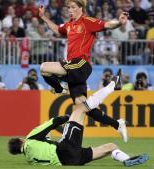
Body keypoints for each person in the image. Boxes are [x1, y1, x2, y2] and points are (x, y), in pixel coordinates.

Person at [8, 76, 149, 166]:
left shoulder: (30, 159)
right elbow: (52, 122)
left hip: (72, 160)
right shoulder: (30, 138)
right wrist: (66, 119)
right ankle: (110, 88)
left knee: (111, 146)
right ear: (21, 140)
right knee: (80, 109)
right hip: (64, 150)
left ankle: (126, 159)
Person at [38, 0, 129, 142]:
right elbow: (57, 29)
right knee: (83, 108)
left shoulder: (87, 21)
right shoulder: (69, 25)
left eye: (73, 7)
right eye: (68, 7)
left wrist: (119, 22)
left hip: (80, 65)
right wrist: (43, 17)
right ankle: (117, 124)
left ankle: (60, 88)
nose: (70, 10)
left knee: (44, 67)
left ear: (81, 8)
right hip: (73, 69)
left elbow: (106, 25)